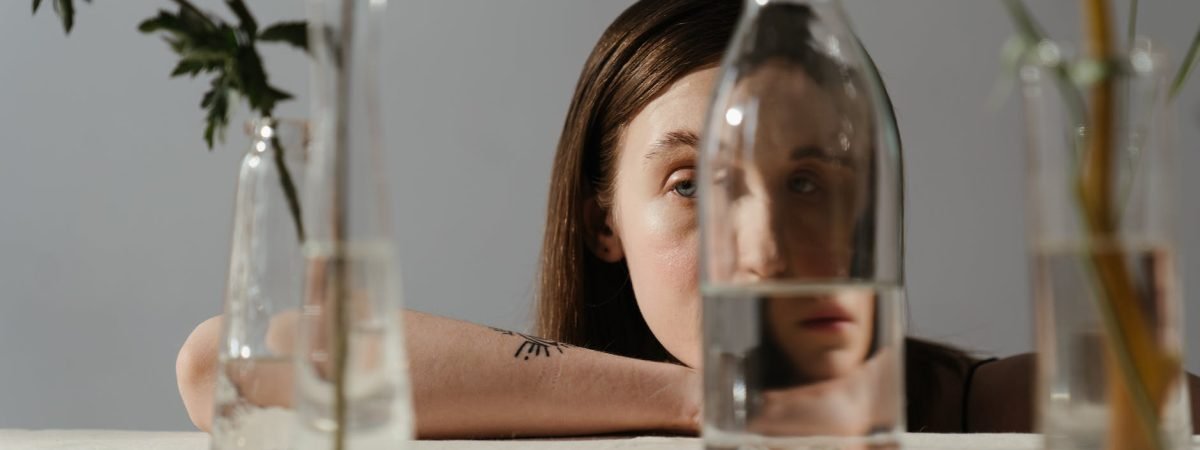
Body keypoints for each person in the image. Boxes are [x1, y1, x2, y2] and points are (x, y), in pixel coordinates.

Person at [176, 0, 1200, 438]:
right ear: (598, 218)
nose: (760, 247)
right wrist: (703, 395)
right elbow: (231, 356)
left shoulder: (969, 409)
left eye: (811, 180)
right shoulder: (542, 412)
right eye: (689, 181)